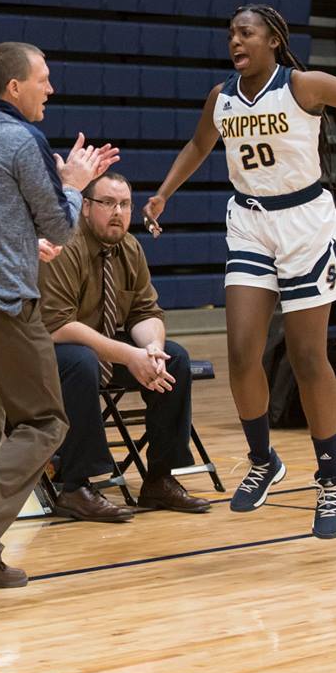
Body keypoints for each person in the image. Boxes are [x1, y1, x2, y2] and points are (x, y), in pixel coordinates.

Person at [144, 4, 336, 539]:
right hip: (250, 221)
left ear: (272, 39)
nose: (235, 41)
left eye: (245, 32)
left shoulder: (304, 85)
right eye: (230, 34)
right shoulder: (220, 98)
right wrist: (162, 193)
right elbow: (201, 145)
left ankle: (331, 476)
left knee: (307, 354)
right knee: (242, 350)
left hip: (306, 224)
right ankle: (263, 459)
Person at [0, 41, 118, 593]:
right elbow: (58, 228)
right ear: (14, 87)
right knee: (46, 422)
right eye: (43, 79)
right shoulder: (22, 139)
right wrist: (75, 186)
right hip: (0, 306)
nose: (50, 89)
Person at [39, 172, 211, 521]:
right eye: (107, 203)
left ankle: (160, 478)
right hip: (45, 350)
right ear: (85, 207)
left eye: (125, 204)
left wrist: (151, 351)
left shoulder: (130, 247)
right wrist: (129, 356)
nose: (117, 212)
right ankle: (76, 486)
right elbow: (57, 326)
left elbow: (146, 312)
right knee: (81, 361)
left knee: (174, 358)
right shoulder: (66, 243)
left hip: (96, 347)